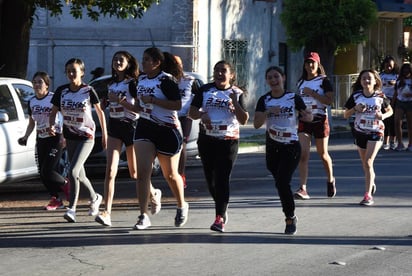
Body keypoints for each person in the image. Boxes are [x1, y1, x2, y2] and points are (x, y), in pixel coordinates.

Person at [94, 51, 162, 227]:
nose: (117, 62)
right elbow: (108, 104)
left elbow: (139, 109)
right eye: (115, 59)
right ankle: (106, 212)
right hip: (115, 127)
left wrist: (122, 102)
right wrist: (105, 104)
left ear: (128, 63)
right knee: (110, 171)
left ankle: (154, 194)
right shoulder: (111, 83)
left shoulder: (133, 83)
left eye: (121, 60)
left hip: (131, 127)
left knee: (135, 173)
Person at [131, 47, 189, 230]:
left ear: (157, 62)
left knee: (170, 174)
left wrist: (154, 101)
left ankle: (181, 205)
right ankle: (143, 215)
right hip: (145, 127)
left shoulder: (166, 80)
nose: (144, 62)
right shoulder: (139, 80)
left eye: (147, 59)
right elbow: (140, 106)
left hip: (167, 130)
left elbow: (178, 105)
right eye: (143, 59)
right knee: (142, 173)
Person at [189, 60, 249, 233]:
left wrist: (235, 103)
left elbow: (244, 120)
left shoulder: (237, 93)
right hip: (207, 139)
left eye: (223, 71)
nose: (219, 74)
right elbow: (192, 112)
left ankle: (219, 217)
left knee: (222, 178)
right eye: (216, 70)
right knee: (211, 180)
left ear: (231, 75)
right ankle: (222, 206)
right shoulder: (205, 90)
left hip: (228, 140)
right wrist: (201, 115)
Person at [254, 66, 312, 235]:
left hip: (291, 145)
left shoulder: (293, 97)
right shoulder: (264, 100)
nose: (273, 80)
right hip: (273, 146)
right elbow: (257, 124)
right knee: (280, 182)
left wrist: (307, 116)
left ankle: (290, 217)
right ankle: (288, 207)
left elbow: (308, 116)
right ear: (267, 81)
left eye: (276, 76)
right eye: (270, 78)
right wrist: (268, 112)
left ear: (283, 78)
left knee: (282, 181)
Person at [49, 58, 107, 222]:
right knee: (80, 175)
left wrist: (105, 135)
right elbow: (53, 112)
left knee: (72, 171)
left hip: (86, 136)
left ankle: (72, 209)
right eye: (68, 71)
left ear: (82, 72)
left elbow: (100, 113)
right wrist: (53, 127)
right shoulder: (61, 91)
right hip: (70, 136)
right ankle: (95, 197)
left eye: (74, 70)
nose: (71, 74)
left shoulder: (88, 90)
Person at [19, 71, 69, 210]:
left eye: (40, 82)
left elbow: (65, 116)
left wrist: (64, 135)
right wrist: (25, 137)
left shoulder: (54, 98)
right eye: (34, 82)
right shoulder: (32, 101)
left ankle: (67, 185)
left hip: (55, 138)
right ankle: (56, 199)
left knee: (48, 170)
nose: (36, 85)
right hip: (41, 139)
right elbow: (31, 123)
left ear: (47, 85)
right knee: (42, 172)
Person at [343, 69, 393, 206]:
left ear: (375, 81)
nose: (366, 81)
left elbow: (390, 111)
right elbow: (345, 115)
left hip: (376, 131)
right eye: (364, 78)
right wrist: (355, 109)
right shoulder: (356, 96)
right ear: (360, 81)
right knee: (365, 165)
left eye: (369, 78)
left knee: (369, 161)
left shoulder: (380, 96)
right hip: (360, 132)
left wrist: (383, 116)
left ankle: (368, 195)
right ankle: (371, 183)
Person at [294, 52, 335, 200]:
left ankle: (330, 179)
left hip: (319, 120)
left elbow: (329, 101)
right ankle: (303, 188)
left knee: (323, 154)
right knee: (303, 154)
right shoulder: (300, 83)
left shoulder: (324, 81)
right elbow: (298, 103)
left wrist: (313, 94)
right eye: (307, 63)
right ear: (304, 65)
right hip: (304, 121)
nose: (310, 66)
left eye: (313, 63)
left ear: (318, 65)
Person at [162, 52, 199, 188]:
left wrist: (196, 111)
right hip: (169, 115)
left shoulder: (190, 80)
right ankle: (170, 172)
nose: (177, 66)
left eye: (179, 63)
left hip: (185, 116)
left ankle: (181, 174)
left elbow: (198, 97)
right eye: (174, 64)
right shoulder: (167, 80)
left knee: (182, 142)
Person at [379, 55, 399, 150]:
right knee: (385, 121)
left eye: (391, 66)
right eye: (387, 66)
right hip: (383, 100)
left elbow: (399, 88)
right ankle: (385, 142)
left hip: (394, 99)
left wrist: (394, 83)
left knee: (393, 122)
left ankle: (393, 141)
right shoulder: (381, 75)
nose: (389, 68)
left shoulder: (396, 76)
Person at [392, 63, 412, 151]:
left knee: (410, 123)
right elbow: (396, 93)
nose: (406, 71)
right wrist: (392, 104)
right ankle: (400, 143)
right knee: (397, 121)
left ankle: (410, 144)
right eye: (404, 69)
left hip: (410, 102)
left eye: (408, 69)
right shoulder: (399, 80)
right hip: (400, 102)